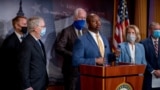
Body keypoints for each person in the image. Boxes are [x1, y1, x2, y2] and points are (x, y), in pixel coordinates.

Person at [72, 13, 118, 90]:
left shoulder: (104, 38)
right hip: (89, 81)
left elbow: (105, 58)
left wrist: (114, 56)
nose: (98, 23)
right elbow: (75, 61)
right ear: (88, 24)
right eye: (94, 21)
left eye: (99, 20)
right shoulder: (81, 40)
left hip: (105, 81)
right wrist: (95, 61)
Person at [55, 8, 88, 90]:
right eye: (80, 18)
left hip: (85, 70)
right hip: (71, 71)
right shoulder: (67, 31)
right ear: (74, 18)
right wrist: (73, 55)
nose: (83, 20)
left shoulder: (86, 31)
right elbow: (59, 47)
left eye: (84, 18)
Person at [17, 16, 49, 90]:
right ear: (35, 28)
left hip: (41, 83)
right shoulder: (26, 44)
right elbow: (23, 67)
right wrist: (27, 86)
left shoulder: (39, 41)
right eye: (43, 26)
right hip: (33, 85)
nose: (45, 28)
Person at [0, 15, 27, 90]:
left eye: (27, 24)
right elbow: (7, 64)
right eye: (24, 24)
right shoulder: (9, 42)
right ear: (16, 25)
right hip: (14, 82)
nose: (27, 26)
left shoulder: (26, 39)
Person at [140, 22, 160, 90]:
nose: (158, 31)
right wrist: (153, 71)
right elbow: (143, 59)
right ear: (150, 30)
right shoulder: (143, 43)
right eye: (155, 29)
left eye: (159, 29)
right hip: (149, 76)